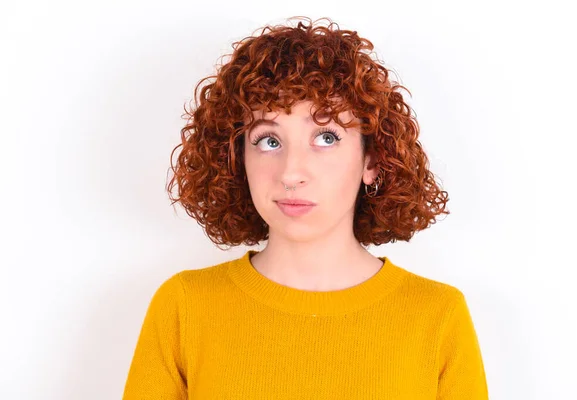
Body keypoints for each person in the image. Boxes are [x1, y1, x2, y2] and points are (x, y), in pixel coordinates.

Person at [122, 16, 488, 399]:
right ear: (236, 158)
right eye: (268, 141)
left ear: (371, 161)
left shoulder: (438, 316)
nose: (292, 173)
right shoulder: (184, 307)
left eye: (326, 137)